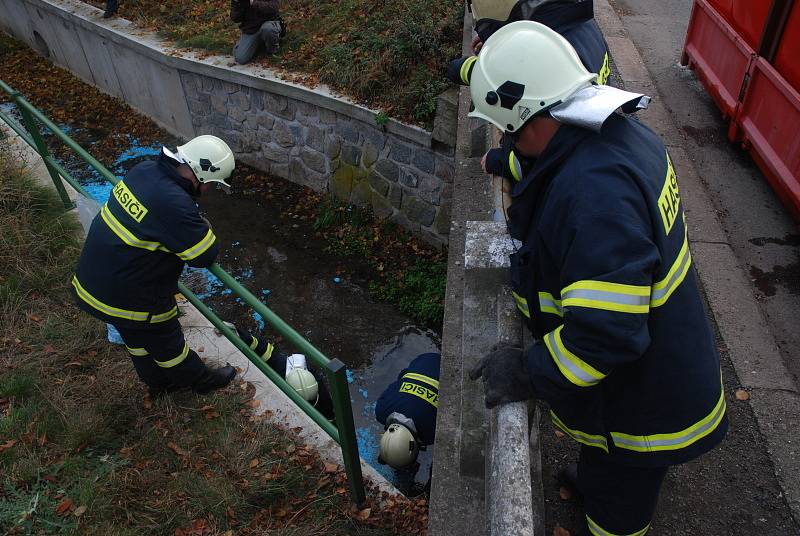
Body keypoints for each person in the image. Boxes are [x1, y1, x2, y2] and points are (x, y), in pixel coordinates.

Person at [466, 22, 727, 536]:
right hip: (659, 365)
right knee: (607, 471)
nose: (513, 142)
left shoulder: (595, 200)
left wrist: (530, 370)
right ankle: (595, 481)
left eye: (510, 131)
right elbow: (548, 167)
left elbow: (602, 336)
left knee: (619, 511)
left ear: (526, 116)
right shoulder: (613, 132)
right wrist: (508, 161)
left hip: (646, 406)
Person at [71, 135, 238, 397]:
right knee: (169, 346)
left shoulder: (144, 170)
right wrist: (202, 225)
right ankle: (200, 381)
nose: (209, 192)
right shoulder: (175, 204)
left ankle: (156, 383)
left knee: (136, 339)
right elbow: (204, 255)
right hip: (131, 295)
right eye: (212, 185)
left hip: (94, 280)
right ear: (201, 176)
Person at [447, 0, 611, 185]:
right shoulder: (576, 21)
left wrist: (502, 161)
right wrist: (496, 43)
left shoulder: (543, 63)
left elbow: (540, 163)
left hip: (571, 177)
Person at [225, 323, 335, 421]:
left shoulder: (317, 388)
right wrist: (238, 332)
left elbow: (329, 414)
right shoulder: (283, 366)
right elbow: (260, 346)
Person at [375, 353, 441, 470]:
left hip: (445, 370)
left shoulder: (431, 433)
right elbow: (396, 385)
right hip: (423, 360)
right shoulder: (381, 410)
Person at [230, 0, 284, 65]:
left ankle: (272, 51)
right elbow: (235, 18)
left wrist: (253, 2)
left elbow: (274, 7)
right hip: (251, 29)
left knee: (268, 29)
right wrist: (238, 4)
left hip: (269, 22)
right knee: (240, 58)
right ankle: (258, 46)